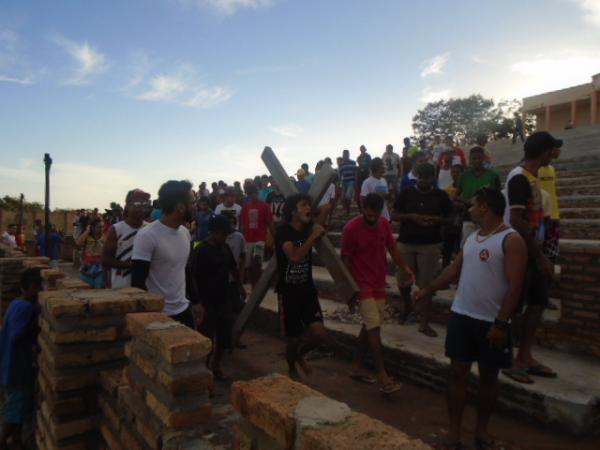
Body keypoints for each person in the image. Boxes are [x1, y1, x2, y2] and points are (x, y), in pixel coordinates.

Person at [413, 188, 527, 450]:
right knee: (457, 374)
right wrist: (428, 289)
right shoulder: (473, 238)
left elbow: (515, 285)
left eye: (473, 205)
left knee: (489, 378)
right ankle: (454, 433)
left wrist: (501, 323)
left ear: (485, 207)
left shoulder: (511, 240)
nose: (470, 209)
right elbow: (454, 270)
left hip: (491, 321)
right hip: (462, 316)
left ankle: (481, 432)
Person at [342, 194, 414, 394]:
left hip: (378, 283)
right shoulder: (351, 228)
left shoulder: (384, 224)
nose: (372, 217)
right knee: (374, 327)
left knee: (370, 325)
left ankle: (356, 366)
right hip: (361, 284)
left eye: (376, 213)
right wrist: (350, 291)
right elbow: (345, 261)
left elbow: (392, 248)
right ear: (363, 208)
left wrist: (405, 268)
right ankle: (382, 374)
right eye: (369, 213)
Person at [502, 132, 558, 383]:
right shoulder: (518, 178)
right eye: (553, 150)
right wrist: (540, 257)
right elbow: (515, 219)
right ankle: (510, 360)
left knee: (536, 303)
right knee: (514, 306)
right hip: (521, 253)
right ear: (545, 152)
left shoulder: (531, 177)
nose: (556, 154)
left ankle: (525, 356)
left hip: (533, 251)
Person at [392, 163, 452, 336]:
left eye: (427, 178)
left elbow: (451, 217)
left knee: (426, 286)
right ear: (416, 176)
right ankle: (408, 305)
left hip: (430, 244)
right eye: (421, 177)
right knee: (403, 280)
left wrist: (436, 220)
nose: (423, 181)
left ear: (432, 178)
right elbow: (394, 214)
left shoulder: (441, 196)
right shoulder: (407, 193)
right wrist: (411, 217)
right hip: (407, 242)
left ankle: (424, 322)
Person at [132, 180, 201, 329]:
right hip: (159, 314)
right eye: (193, 202)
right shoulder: (147, 236)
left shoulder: (185, 233)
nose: (196, 206)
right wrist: (148, 315)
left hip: (183, 309)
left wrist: (195, 302)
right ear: (180, 207)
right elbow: (137, 281)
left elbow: (185, 270)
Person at [276, 193, 328, 379]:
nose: (308, 208)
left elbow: (319, 225)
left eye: (309, 205)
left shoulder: (307, 229)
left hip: (307, 291)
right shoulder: (283, 231)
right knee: (293, 339)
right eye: (304, 205)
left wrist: (327, 208)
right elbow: (295, 257)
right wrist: (312, 236)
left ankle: (300, 355)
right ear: (292, 211)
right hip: (288, 293)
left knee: (320, 335)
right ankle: (291, 368)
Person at [191, 215, 244, 380]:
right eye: (222, 233)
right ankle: (204, 371)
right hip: (206, 300)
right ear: (213, 232)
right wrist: (196, 301)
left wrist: (240, 286)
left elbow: (233, 268)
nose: (225, 237)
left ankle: (216, 365)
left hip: (224, 298)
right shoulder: (200, 250)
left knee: (224, 336)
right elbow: (191, 276)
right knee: (206, 338)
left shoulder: (225, 248)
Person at [0, 268, 43, 450]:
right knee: (15, 409)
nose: (38, 291)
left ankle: (16, 440)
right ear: (26, 287)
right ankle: (3, 440)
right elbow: (16, 336)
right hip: (17, 367)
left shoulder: (15, 303)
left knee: (18, 406)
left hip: (9, 364)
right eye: (35, 287)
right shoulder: (26, 307)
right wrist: (35, 324)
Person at [102, 189, 150, 289]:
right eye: (137, 203)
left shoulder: (150, 229)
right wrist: (132, 266)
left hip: (146, 284)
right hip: (121, 285)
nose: (141, 207)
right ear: (127, 207)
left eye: (144, 203)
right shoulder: (116, 229)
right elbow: (105, 259)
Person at [456, 147, 501, 243]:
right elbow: (456, 196)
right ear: (470, 159)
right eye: (474, 158)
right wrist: (468, 201)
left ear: (484, 158)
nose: (477, 161)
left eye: (479, 158)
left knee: (488, 243)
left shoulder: (493, 176)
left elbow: (498, 197)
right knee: (467, 243)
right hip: (469, 217)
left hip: (488, 217)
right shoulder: (464, 176)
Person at [240, 184, 274, 288]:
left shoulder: (264, 206)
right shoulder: (245, 207)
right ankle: (253, 286)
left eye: (253, 193)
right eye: (249, 194)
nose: (252, 196)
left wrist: (275, 237)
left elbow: (270, 223)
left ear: (257, 193)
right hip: (248, 240)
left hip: (260, 239)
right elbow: (242, 225)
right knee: (249, 266)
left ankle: (258, 287)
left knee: (257, 263)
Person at [538, 140, 563, 262]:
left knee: (552, 252)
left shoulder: (552, 169)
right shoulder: (536, 170)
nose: (559, 150)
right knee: (540, 249)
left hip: (554, 215)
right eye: (556, 148)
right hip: (541, 216)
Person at [442, 165, 465, 268]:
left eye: (457, 172)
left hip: (463, 222)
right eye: (453, 172)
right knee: (447, 251)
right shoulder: (447, 189)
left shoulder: (467, 188)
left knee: (460, 250)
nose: (455, 174)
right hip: (450, 224)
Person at [76, 218, 105, 288]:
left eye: (102, 227)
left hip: (100, 267)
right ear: (93, 228)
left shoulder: (105, 237)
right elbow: (78, 243)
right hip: (87, 267)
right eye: (99, 227)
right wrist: (87, 231)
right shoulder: (87, 237)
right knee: (86, 288)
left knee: (98, 288)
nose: (101, 229)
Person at [338, 149, 357, 216]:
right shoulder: (341, 164)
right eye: (344, 154)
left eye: (346, 154)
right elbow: (340, 175)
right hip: (344, 182)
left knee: (348, 196)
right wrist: (338, 184)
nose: (345, 155)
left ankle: (348, 211)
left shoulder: (353, 162)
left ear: (348, 155)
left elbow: (355, 173)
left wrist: (356, 182)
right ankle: (345, 210)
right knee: (342, 198)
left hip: (351, 181)